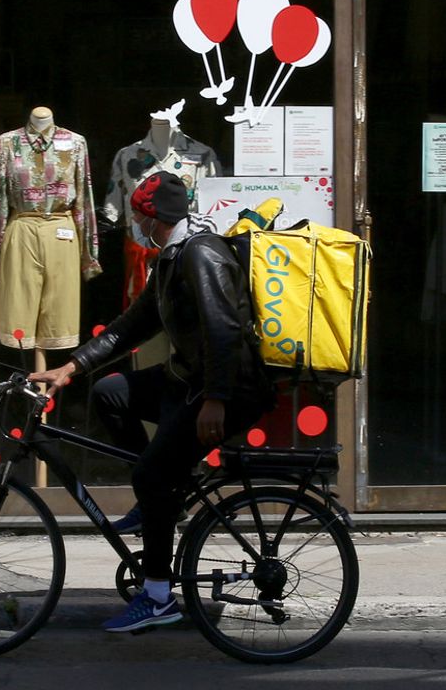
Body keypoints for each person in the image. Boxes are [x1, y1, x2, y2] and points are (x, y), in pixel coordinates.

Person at [27, 170, 274, 633]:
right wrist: (71, 369)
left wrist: (216, 400)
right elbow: (130, 327)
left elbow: (224, 329)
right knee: (111, 393)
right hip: (190, 380)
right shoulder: (171, 257)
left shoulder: (201, 254)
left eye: (138, 214)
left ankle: (158, 594)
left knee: (153, 473)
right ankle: (164, 498)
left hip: (230, 387)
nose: (134, 223)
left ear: (152, 215)